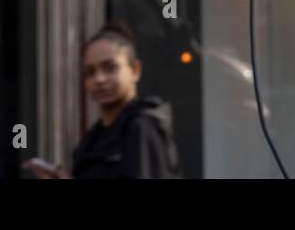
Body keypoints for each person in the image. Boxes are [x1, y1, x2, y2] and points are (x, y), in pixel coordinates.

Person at [25, 20, 183, 179]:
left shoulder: (142, 127)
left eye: (110, 68)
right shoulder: (95, 136)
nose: (99, 79)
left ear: (135, 70)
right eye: (90, 72)